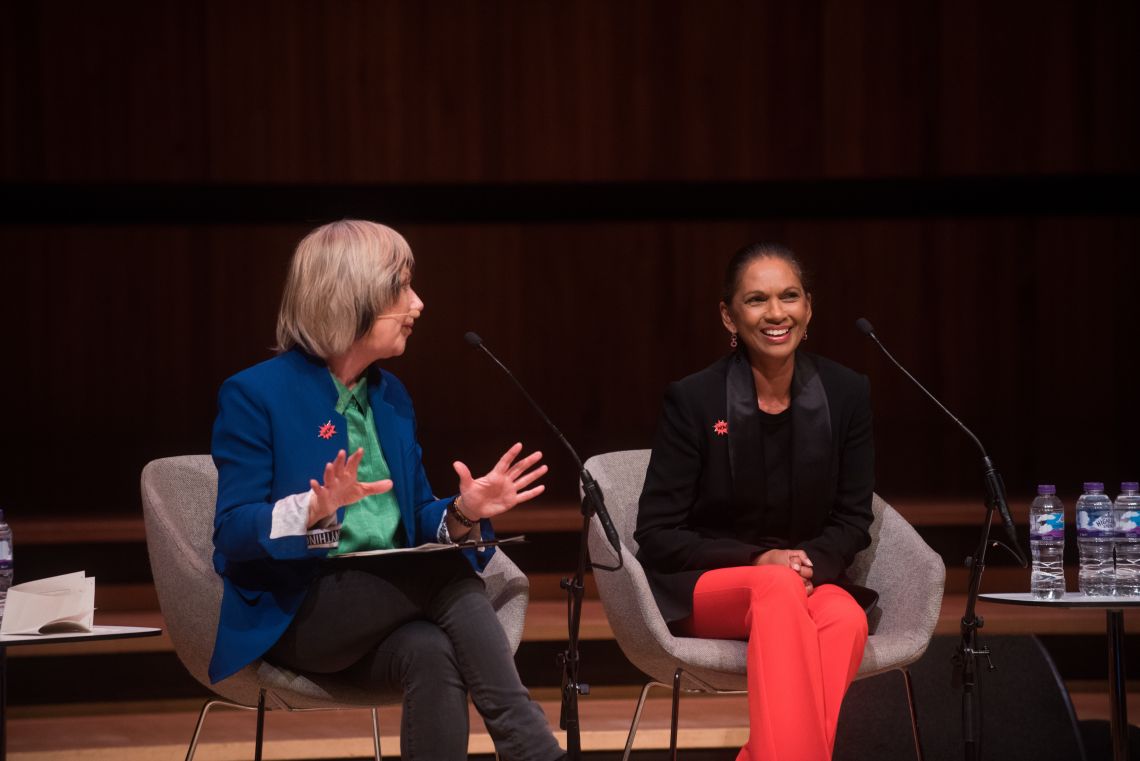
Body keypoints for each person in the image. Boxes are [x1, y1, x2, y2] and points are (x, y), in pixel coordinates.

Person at [208, 219, 564, 761]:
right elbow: (232, 532)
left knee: (432, 650)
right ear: (352, 297)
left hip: (385, 607)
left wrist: (463, 511)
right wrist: (312, 510)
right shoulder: (256, 394)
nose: (418, 304)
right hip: (300, 610)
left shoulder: (390, 395)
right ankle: (533, 749)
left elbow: (416, 517)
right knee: (443, 571)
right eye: (402, 287)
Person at [634, 243, 874, 761]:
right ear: (729, 315)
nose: (775, 313)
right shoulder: (694, 399)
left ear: (808, 307)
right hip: (706, 584)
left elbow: (855, 516)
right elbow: (656, 534)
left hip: (805, 575)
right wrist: (760, 560)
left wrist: (806, 562)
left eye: (789, 296)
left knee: (845, 618)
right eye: (756, 300)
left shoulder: (846, 393)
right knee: (777, 586)